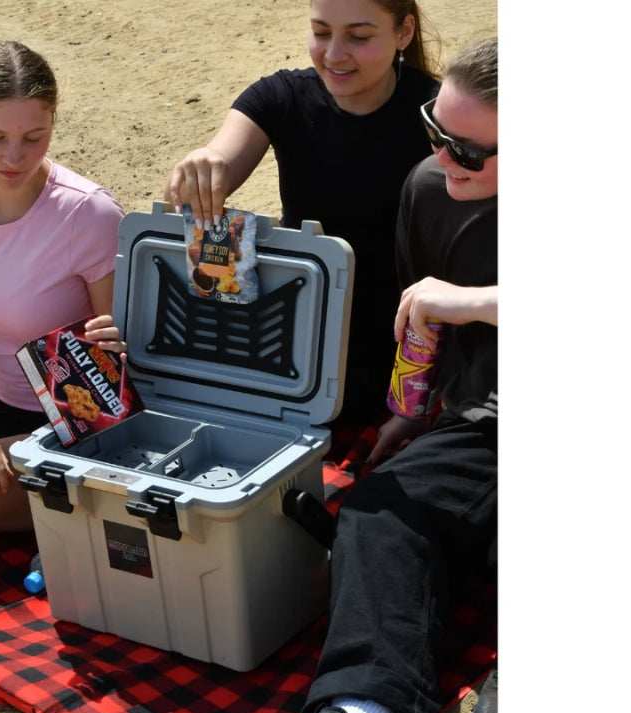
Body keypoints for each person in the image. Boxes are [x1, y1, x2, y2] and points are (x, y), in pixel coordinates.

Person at [210, 35, 498, 713]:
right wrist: (409, 410)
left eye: (466, 149)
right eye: (434, 131)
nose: (443, 158)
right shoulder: (432, 189)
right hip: (485, 426)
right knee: (376, 512)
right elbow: (424, 329)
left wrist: (478, 302)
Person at [163, 0, 440, 426]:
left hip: (408, 354)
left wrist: (416, 397)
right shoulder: (279, 98)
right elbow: (199, 181)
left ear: (403, 33)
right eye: (321, 32)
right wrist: (200, 168)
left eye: (359, 37)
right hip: (300, 357)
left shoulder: (438, 112)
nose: (333, 54)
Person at [0, 40, 126, 533]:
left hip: (71, 427)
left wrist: (124, 347)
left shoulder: (87, 215)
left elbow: (120, 386)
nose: (15, 157)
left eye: (34, 136)